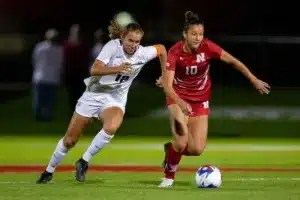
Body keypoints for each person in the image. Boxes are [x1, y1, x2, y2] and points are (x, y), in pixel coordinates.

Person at [36, 19, 167, 184]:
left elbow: (161, 50)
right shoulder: (113, 47)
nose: (134, 45)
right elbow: (94, 69)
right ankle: (49, 171)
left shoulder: (142, 53)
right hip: (93, 95)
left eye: (137, 41)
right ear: (123, 38)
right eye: (130, 40)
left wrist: (165, 75)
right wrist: (116, 69)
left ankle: (83, 161)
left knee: (112, 126)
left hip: (115, 99)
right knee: (70, 140)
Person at [155, 11, 270, 188]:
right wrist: (180, 103)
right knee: (181, 140)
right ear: (185, 34)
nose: (197, 38)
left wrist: (253, 79)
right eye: (193, 34)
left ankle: (170, 151)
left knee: (196, 149)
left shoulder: (208, 47)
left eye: (200, 34)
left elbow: (234, 62)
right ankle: (169, 177)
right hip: (178, 97)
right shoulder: (175, 52)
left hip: (200, 101)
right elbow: (168, 87)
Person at [32, 28, 63, 121]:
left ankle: (39, 116)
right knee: (49, 100)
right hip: (51, 78)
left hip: (41, 76)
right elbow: (60, 64)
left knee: (40, 99)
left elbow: (34, 60)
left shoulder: (39, 47)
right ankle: (46, 116)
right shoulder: (59, 49)